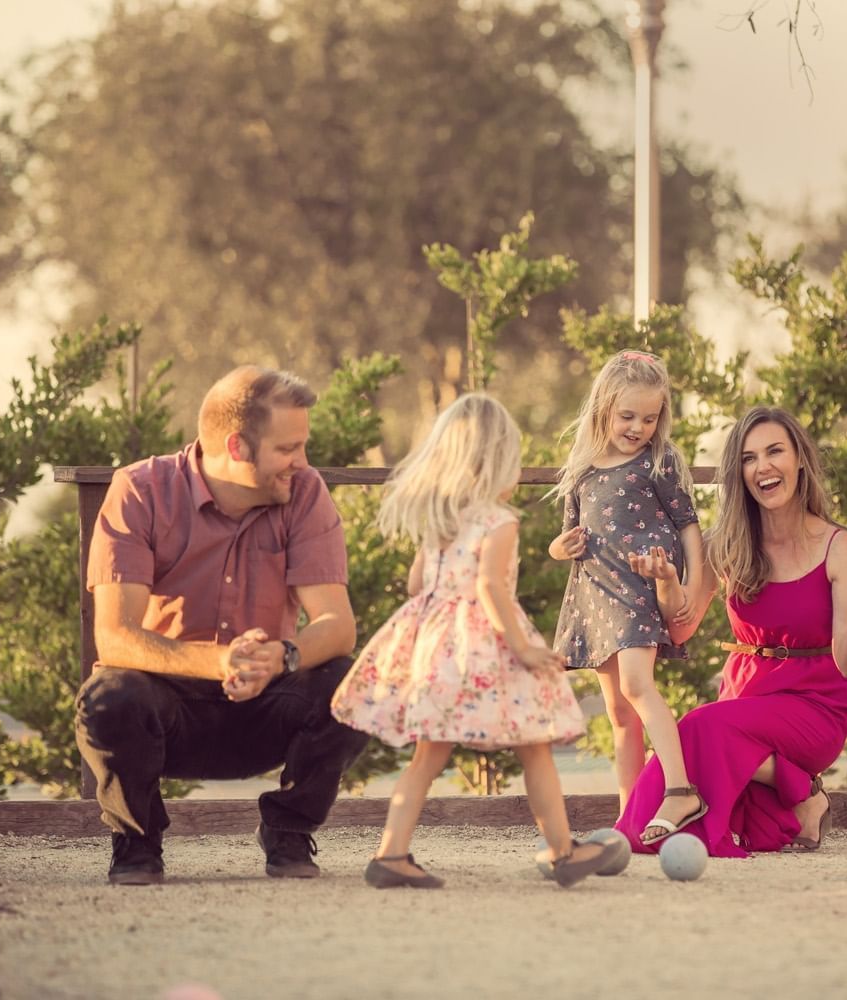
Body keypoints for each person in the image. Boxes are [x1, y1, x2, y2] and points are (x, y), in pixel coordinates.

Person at [76, 365, 369, 886]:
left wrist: (279, 656)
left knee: (356, 684)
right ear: (237, 446)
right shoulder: (139, 491)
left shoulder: (304, 492)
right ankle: (137, 844)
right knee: (109, 696)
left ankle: (289, 833)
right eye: (287, 449)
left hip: (264, 703)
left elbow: (337, 625)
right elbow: (114, 636)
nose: (301, 462)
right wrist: (218, 660)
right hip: (165, 714)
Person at [332, 393, 624, 888]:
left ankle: (391, 854)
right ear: (495, 462)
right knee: (534, 744)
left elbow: (415, 585)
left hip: (439, 645)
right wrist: (522, 647)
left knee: (428, 755)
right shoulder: (499, 520)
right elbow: (490, 587)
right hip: (488, 643)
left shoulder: (441, 520)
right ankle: (561, 851)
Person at [615, 406, 847, 857]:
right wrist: (667, 582)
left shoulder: (841, 547)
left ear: (800, 461)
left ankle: (632, 827)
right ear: (739, 473)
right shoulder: (725, 543)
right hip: (746, 698)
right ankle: (804, 798)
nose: (763, 466)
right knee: (751, 813)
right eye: (749, 458)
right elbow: (681, 627)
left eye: (775, 451)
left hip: (815, 705)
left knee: (699, 728)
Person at [548, 349, 709, 845]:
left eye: (650, 417)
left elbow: (688, 525)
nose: (639, 426)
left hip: (642, 588)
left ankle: (680, 789)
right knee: (618, 714)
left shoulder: (658, 461)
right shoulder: (581, 469)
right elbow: (566, 536)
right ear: (603, 408)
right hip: (595, 594)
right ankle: (629, 818)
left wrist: (695, 578)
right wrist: (559, 548)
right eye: (628, 416)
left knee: (639, 687)